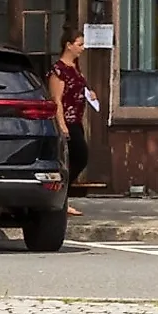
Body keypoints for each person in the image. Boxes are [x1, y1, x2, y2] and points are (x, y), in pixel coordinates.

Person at [51, 29, 97, 212]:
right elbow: (57, 99)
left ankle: (63, 199)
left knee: (75, 159)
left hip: (77, 119)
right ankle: (61, 198)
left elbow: (79, 89)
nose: (82, 48)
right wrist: (62, 125)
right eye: (79, 44)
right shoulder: (59, 70)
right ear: (68, 45)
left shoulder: (75, 68)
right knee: (79, 156)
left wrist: (89, 94)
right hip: (67, 121)